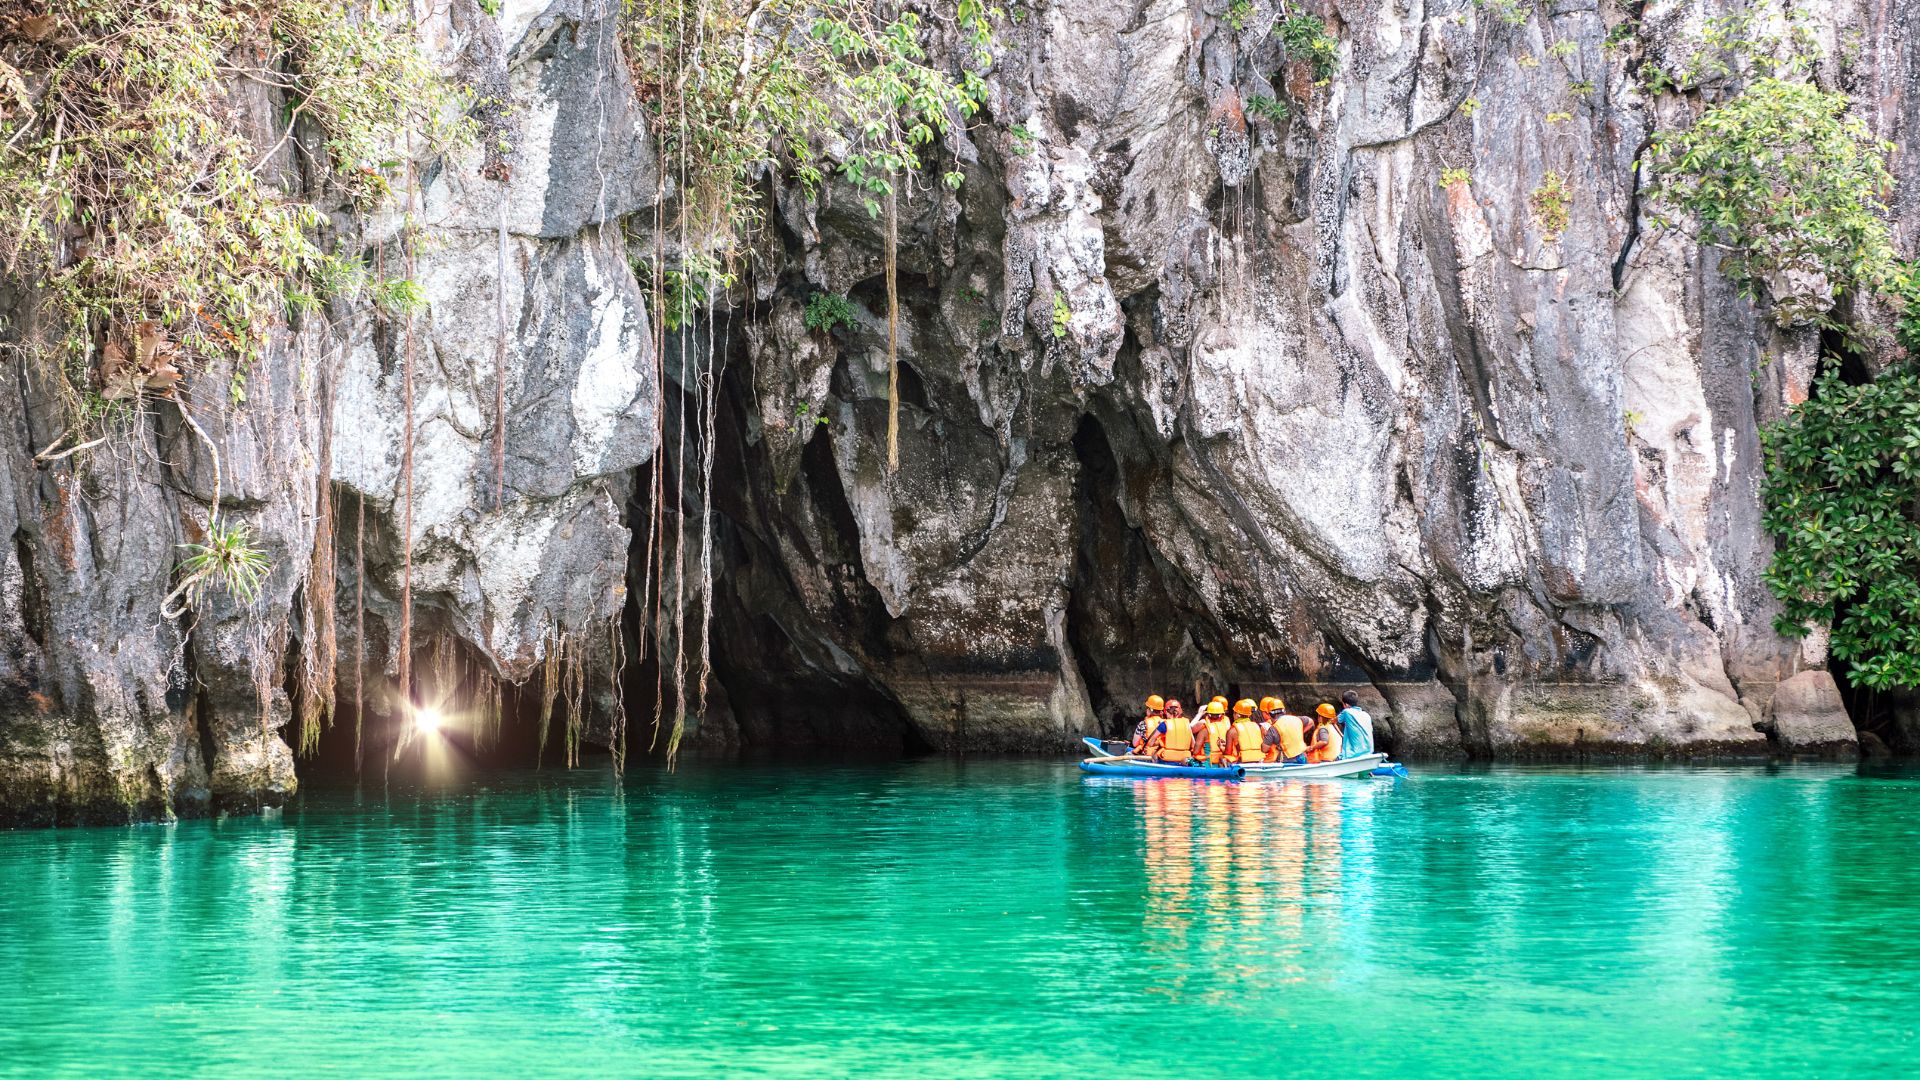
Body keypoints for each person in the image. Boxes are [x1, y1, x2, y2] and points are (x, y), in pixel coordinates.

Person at [1262, 697, 1308, 764]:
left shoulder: (1273, 729)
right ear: (1284, 711)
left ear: (1270, 714)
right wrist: (1301, 732)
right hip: (1303, 757)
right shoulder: (1297, 719)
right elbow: (1311, 722)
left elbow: (1264, 749)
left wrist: (1266, 737)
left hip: (1287, 760)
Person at [1226, 700, 1271, 765]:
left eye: (1234, 713)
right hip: (1260, 760)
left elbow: (1228, 752)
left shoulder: (1232, 731)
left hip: (1243, 761)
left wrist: (1221, 748)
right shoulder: (1258, 726)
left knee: (1223, 757)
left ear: (1237, 715)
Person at [1336, 690, 1375, 758]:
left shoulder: (1347, 712)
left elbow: (1334, 720)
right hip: (1369, 752)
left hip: (1353, 754)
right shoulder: (1366, 715)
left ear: (1346, 705)